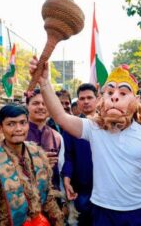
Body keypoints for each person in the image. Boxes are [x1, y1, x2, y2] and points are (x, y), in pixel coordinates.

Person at [29, 59, 141, 226]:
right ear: (102, 98)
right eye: (110, 92)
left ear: (135, 101)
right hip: (101, 209)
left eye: (123, 93)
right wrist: (44, 82)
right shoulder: (94, 128)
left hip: (137, 210)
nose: (115, 97)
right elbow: (61, 117)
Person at [0, 104, 64, 225]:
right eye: (11, 124)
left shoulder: (36, 152)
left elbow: (47, 195)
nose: (18, 129)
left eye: (23, 123)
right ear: (0, 128)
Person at [62, 83, 98, 226]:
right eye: (82, 98)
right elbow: (68, 157)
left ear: (98, 99)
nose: (86, 101)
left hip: (108, 189)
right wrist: (67, 177)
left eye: (90, 97)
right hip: (82, 189)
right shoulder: (72, 126)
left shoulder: (109, 124)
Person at [26, 89, 64, 190]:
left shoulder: (57, 136)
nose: (41, 107)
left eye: (45, 103)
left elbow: (60, 169)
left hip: (52, 194)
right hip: (25, 194)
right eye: (35, 103)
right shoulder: (18, 133)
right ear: (27, 106)